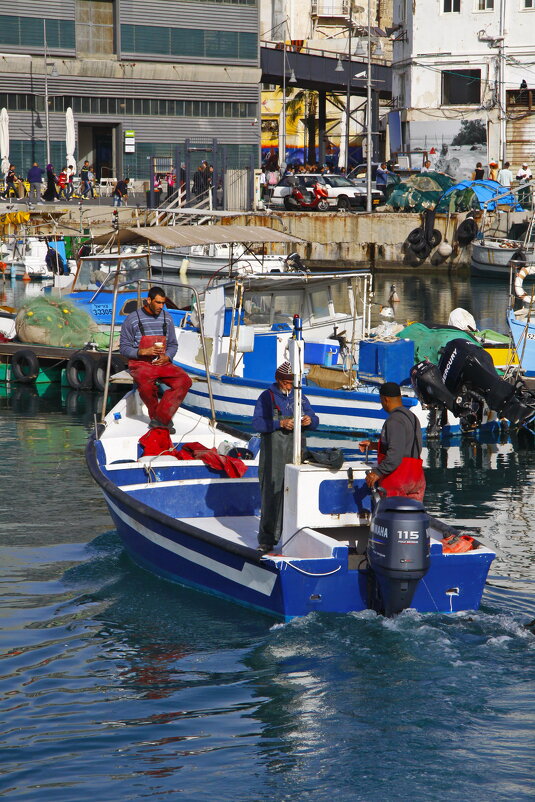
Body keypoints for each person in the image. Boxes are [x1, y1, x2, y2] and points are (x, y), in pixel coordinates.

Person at [252, 361, 319, 553]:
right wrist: (279, 423)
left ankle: (294, 537)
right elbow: (257, 424)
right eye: (287, 382)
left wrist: (309, 420)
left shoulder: (300, 397)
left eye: (293, 382)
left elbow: (315, 420)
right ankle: (267, 539)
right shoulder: (267, 397)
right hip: (274, 454)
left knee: (296, 495)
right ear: (279, 380)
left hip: (296, 452)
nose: (290, 386)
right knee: (271, 494)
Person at [119, 286, 192, 432]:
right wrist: (142, 351)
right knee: (146, 386)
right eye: (158, 303)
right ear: (148, 300)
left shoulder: (167, 318)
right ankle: (160, 419)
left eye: (163, 303)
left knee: (185, 381)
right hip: (140, 363)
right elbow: (124, 348)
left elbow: (172, 345)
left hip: (162, 362)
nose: (161, 306)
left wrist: (168, 356)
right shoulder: (132, 319)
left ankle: (160, 419)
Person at [358, 382, 425, 502]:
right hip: (416, 478)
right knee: (410, 517)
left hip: (399, 480)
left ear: (385, 399)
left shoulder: (394, 420)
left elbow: (395, 454)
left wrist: (377, 473)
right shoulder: (412, 417)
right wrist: (373, 445)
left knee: (394, 517)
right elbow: (409, 446)